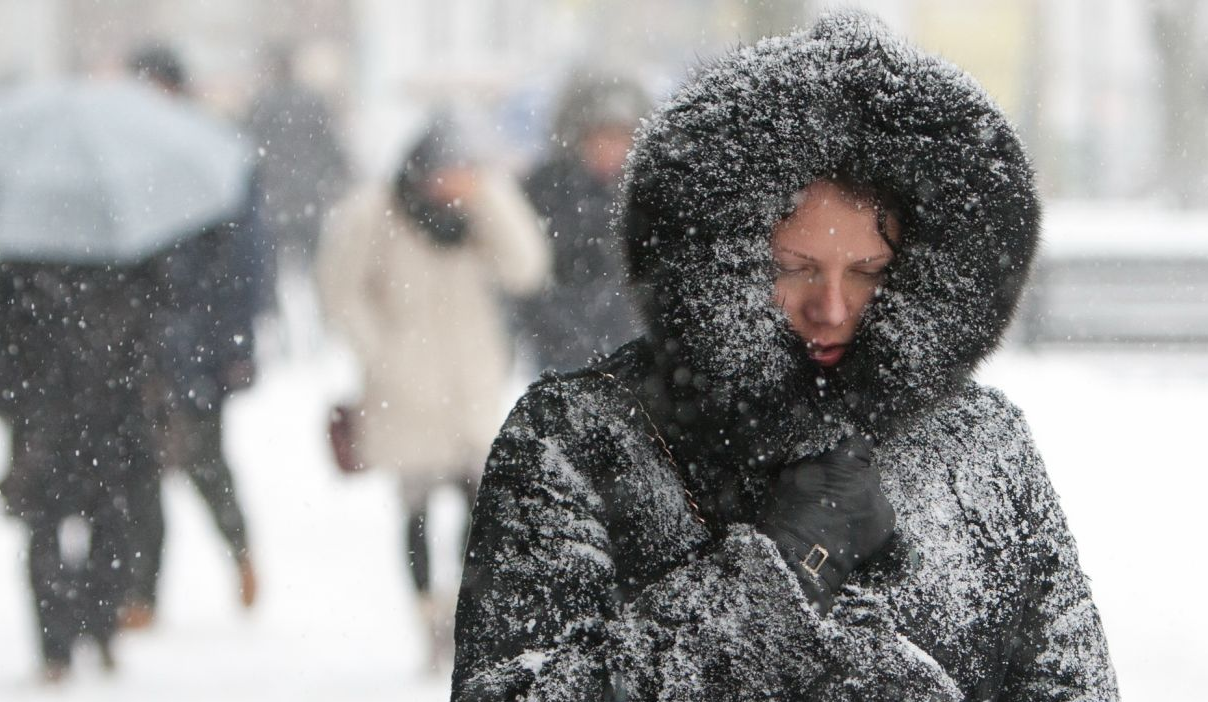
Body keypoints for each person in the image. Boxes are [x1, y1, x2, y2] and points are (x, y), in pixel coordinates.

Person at [453, 12, 1118, 701]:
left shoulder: (983, 446)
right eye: (793, 267)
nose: (830, 307)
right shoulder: (578, 437)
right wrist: (775, 579)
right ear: (724, 257)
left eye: (868, 272)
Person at [316, 115, 548, 671]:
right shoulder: (375, 212)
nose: (451, 184)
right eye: (444, 172)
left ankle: (462, 618)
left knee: (482, 517)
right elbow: (339, 291)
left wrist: (489, 197)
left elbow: (527, 268)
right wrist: (382, 355)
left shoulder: (476, 215)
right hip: (404, 395)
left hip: (471, 389)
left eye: (462, 172)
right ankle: (427, 620)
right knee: (415, 515)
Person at [121, 44, 262, 628]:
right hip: (141, 346)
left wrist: (234, 344)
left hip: (199, 346)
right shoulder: (124, 159)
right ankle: (142, 592)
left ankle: (241, 552)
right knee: (140, 471)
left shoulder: (213, 157)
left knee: (205, 461)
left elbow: (246, 263)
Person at [0, 261, 155, 681]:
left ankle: (60, 646)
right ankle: (95, 630)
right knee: (105, 522)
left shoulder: (22, 252)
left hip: (47, 413)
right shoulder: (120, 254)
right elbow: (148, 322)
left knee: (54, 528)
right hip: (100, 408)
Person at [516, 72, 650, 372]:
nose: (610, 148)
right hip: (560, 352)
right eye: (601, 136)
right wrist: (553, 327)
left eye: (621, 136)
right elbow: (525, 270)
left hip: (633, 352)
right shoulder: (546, 189)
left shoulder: (652, 189)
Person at [246, 43, 350, 359]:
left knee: (273, 276)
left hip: (272, 203)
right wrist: (335, 184)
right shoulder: (313, 103)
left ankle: (282, 336)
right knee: (316, 272)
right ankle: (320, 331)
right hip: (309, 201)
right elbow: (333, 149)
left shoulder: (261, 106)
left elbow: (246, 152)